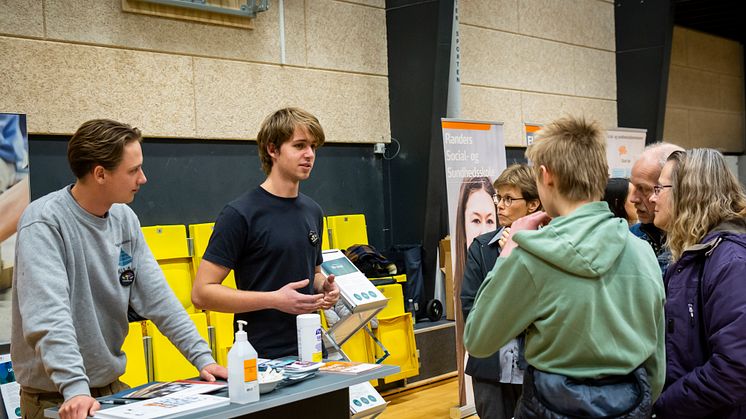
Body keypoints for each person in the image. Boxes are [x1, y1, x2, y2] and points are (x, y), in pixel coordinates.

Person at [11, 119, 226, 419]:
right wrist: (75, 389)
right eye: (133, 170)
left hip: (111, 392)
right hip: (57, 399)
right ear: (100, 173)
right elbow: (49, 317)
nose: (143, 178)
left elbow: (160, 300)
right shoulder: (45, 222)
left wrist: (204, 359)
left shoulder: (124, 219)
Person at [463, 116, 666, 418]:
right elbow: (656, 366)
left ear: (547, 176)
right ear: (602, 174)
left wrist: (507, 254)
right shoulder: (642, 252)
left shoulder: (531, 257)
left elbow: (479, 339)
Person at [191, 107, 339, 359]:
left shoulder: (313, 210)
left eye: (313, 147)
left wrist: (323, 287)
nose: (309, 155)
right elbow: (202, 293)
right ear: (273, 150)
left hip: (312, 349)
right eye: (300, 145)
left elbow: (311, 275)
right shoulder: (240, 214)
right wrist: (274, 299)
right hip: (261, 357)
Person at [650, 149, 746, 418]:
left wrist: (665, 406)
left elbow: (734, 368)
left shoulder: (731, 261)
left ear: (688, 192)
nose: (651, 197)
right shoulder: (693, 257)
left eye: (659, 188)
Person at [460, 164, 541, 419]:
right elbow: (471, 307)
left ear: (533, 204)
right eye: (499, 197)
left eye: (509, 198)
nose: (500, 205)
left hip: (535, 370)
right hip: (490, 370)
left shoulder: (549, 248)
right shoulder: (481, 248)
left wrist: (520, 254)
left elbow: (545, 307)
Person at [629, 142, 683, 273]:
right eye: (633, 187)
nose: (633, 199)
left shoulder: (703, 245)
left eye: (643, 189)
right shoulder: (632, 237)